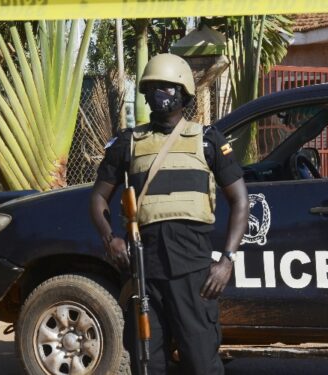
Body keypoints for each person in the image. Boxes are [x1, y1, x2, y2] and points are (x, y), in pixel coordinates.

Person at [89, 53, 249, 375]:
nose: (158, 94)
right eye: (153, 88)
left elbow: (241, 202)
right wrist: (111, 240)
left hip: (194, 273)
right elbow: (98, 200)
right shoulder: (128, 144)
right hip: (144, 271)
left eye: (166, 87)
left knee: (201, 362)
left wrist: (226, 261)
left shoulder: (207, 141)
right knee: (148, 361)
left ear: (182, 92)